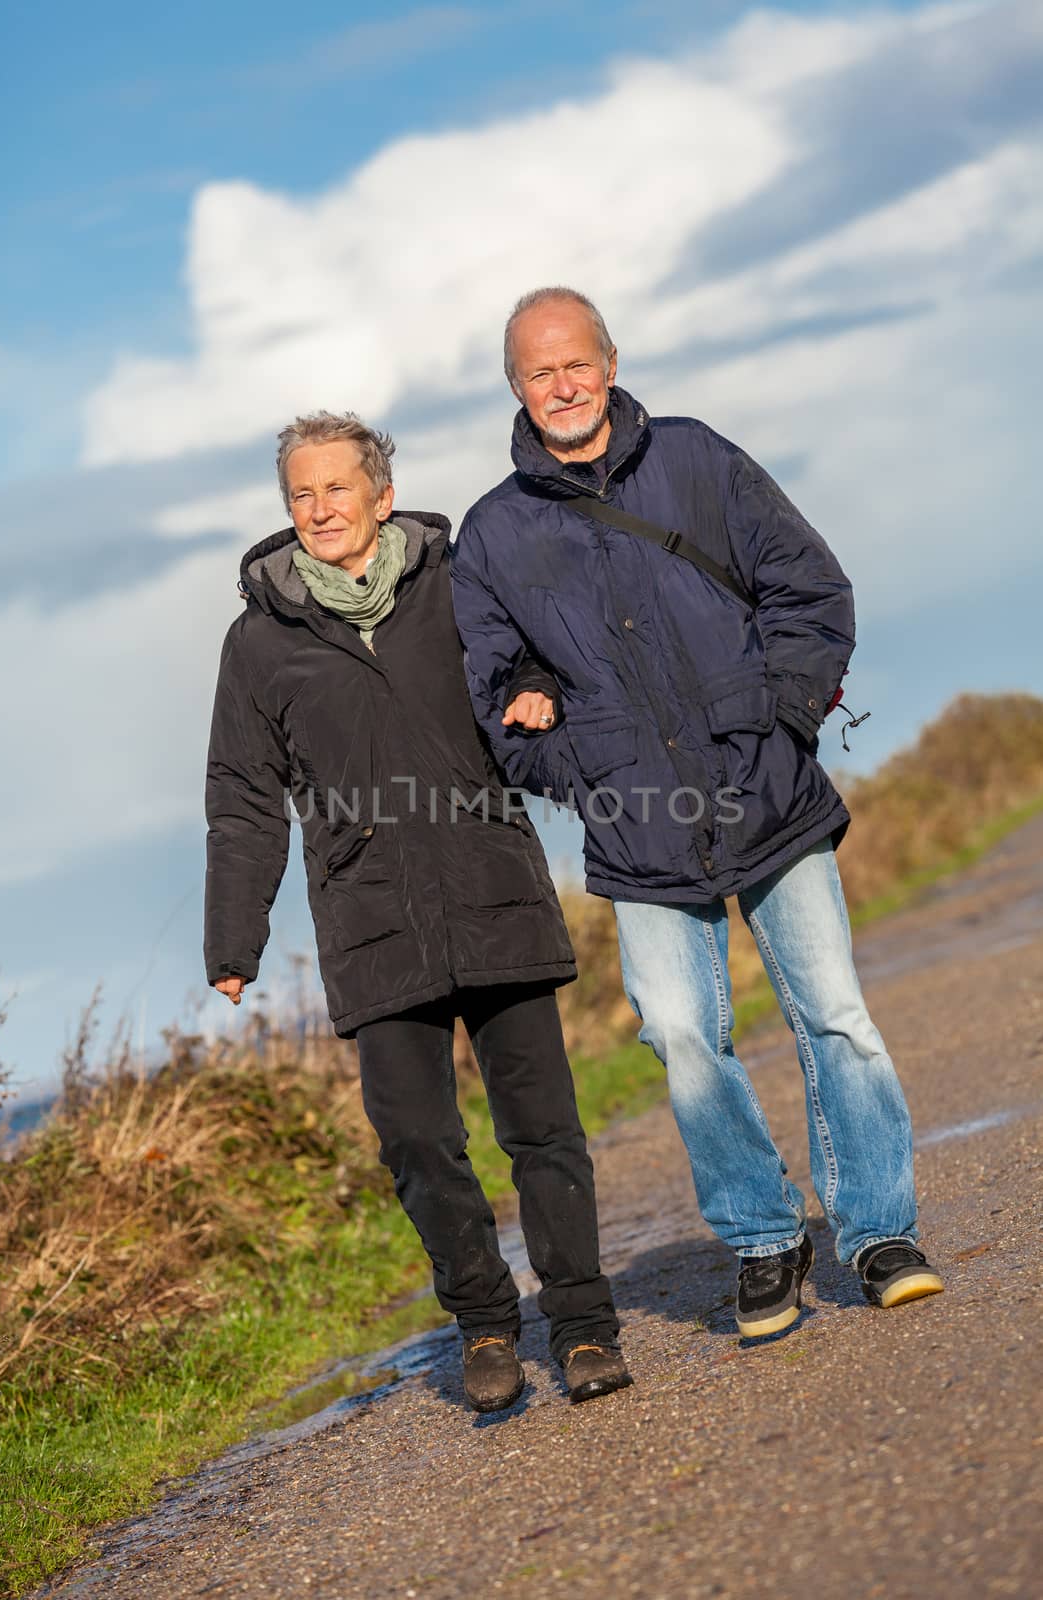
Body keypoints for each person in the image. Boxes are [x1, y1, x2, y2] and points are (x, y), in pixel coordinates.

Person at [450, 287, 944, 1338]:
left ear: (611, 362)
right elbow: (494, 703)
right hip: (635, 826)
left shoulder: (696, 458)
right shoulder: (492, 535)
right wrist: (577, 763)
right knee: (678, 1034)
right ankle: (765, 1240)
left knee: (835, 1016)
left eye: (576, 362)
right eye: (540, 373)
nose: (563, 385)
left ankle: (877, 1230)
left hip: (765, 788)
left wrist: (783, 714)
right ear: (516, 389)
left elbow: (808, 588)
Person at [203, 410, 632, 1409]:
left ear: (380, 495)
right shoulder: (258, 644)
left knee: (543, 1128)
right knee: (414, 1140)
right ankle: (485, 1323)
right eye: (299, 494)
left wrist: (534, 694)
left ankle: (581, 1324)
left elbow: (533, 655)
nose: (318, 509)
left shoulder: (457, 581)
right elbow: (241, 792)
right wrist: (234, 937)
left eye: (334, 488)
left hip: (492, 886)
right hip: (369, 918)